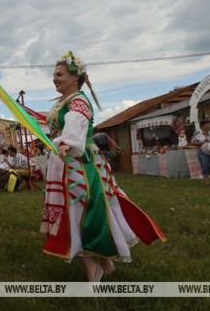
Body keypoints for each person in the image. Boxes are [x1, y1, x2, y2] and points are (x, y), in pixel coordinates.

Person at [41, 51, 165, 282]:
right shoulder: (63, 102)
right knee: (75, 212)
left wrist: (66, 143)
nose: (54, 79)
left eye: (59, 74)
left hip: (81, 163)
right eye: (54, 75)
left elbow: (74, 128)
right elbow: (62, 126)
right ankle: (103, 263)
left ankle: (94, 268)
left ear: (75, 77)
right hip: (66, 161)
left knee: (80, 211)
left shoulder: (78, 101)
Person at [190, 119, 210, 186]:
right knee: (205, 166)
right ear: (202, 125)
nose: (209, 126)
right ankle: (207, 183)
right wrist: (202, 142)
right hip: (203, 152)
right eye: (207, 125)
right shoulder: (197, 133)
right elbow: (192, 142)